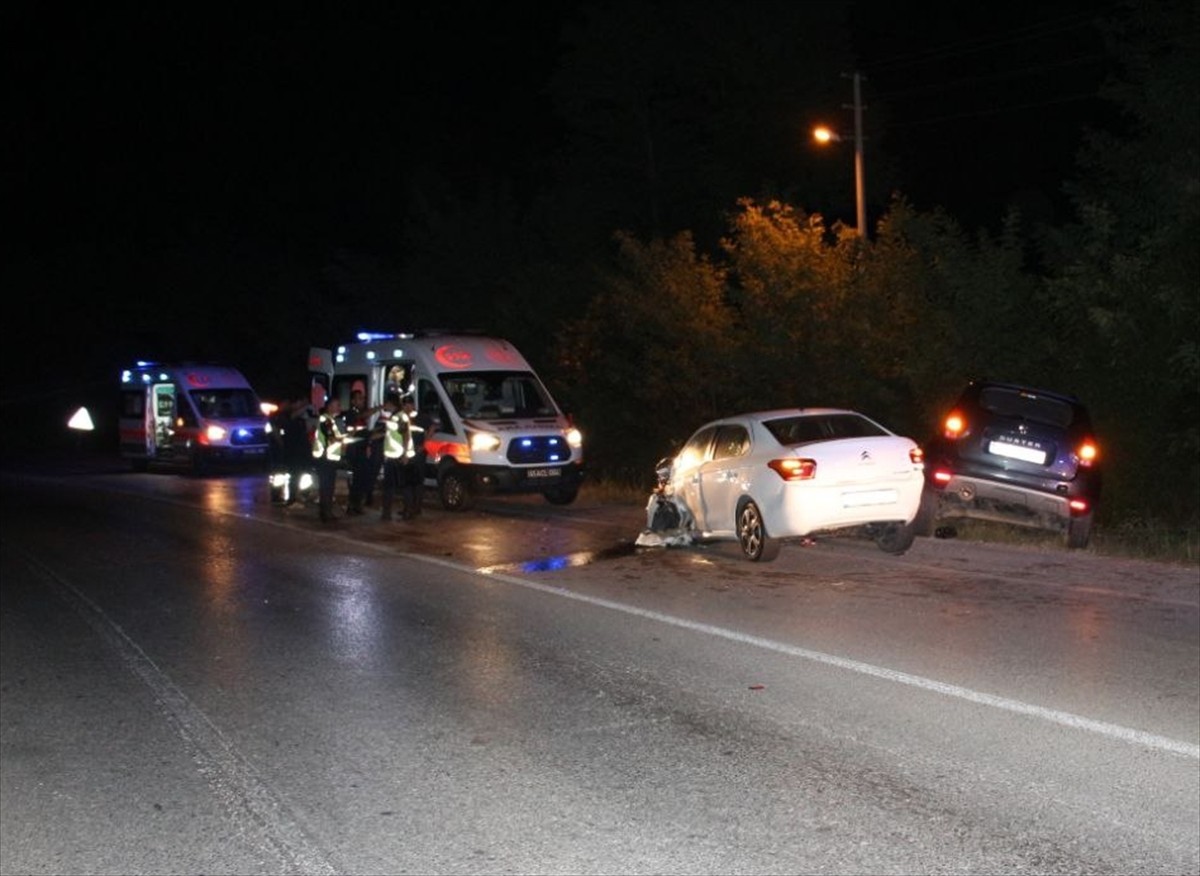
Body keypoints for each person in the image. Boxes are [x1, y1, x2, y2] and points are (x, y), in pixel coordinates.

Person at [311, 397, 346, 523]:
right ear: (330, 406)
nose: (339, 407)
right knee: (327, 486)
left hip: (328, 458)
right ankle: (326, 513)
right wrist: (344, 439)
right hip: (324, 458)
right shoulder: (326, 420)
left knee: (328, 486)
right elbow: (331, 438)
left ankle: (326, 512)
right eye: (337, 405)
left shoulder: (330, 420)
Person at [378, 393, 408, 522]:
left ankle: (391, 512)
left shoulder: (399, 417)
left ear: (391, 404)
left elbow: (406, 435)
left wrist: (405, 454)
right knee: (392, 486)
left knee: (394, 486)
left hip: (397, 456)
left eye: (386, 403)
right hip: (392, 456)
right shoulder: (394, 416)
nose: (385, 405)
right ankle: (388, 512)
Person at [343, 388, 374, 515]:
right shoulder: (351, 414)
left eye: (363, 398)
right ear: (353, 401)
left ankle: (357, 505)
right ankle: (352, 506)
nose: (362, 401)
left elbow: (364, 433)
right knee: (356, 481)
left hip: (361, 450)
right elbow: (359, 422)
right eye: (359, 399)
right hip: (354, 451)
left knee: (360, 479)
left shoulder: (360, 415)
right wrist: (378, 408)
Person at [401, 395, 427, 518]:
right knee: (408, 482)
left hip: (417, 454)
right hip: (409, 453)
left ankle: (414, 508)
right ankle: (409, 507)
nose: (407, 407)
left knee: (415, 482)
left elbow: (431, 427)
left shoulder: (420, 417)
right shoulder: (402, 417)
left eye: (409, 404)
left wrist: (424, 444)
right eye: (405, 405)